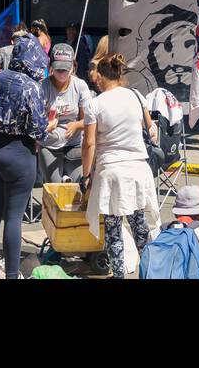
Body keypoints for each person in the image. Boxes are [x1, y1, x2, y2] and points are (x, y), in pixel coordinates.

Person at [81, 51, 160, 279]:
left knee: (113, 230)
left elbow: (89, 144)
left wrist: (86, 175)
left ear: (101, 77)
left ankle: (119, 275)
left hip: (111, 172)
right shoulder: (136, 96)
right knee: (139, 225)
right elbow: (151, 131)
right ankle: (149, 272)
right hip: (137, 170)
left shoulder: (94, 104)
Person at [0, 34, 49, 279]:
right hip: (19, 155)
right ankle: (10, 275)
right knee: (14, 218)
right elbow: (38, 130)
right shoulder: (33, 87)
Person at [39, 43, 94, 183]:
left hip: (74, 144)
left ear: (73, 67)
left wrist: (76, 125)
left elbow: (89, 119)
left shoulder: (80, 85)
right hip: (50, 144)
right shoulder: (43, 87)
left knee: (78, 184)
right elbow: (36, 122)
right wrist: (48, 123)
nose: (62, 73)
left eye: (65, 69)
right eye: (58, 69)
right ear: (51, 67)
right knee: (55, 186)